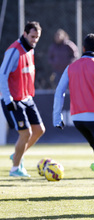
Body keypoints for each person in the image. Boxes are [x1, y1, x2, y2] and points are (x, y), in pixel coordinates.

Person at [53, 33, 94, 185]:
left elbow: (59, 92)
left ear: (83, 48)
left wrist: (57, 117)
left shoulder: (71, 67)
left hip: (77, 118)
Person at [0, 21, 45, 177]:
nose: (34, 40)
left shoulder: (30, 50)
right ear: (25, 34)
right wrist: (8, 99)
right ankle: (15, 169)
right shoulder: (13, 51)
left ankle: (17, 155)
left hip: (27, 98)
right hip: (14, 99)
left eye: (37, 37)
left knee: (39, 130)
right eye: (32, 37)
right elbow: (2, 75)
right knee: (25, 134)